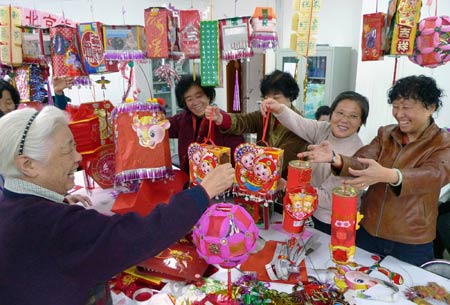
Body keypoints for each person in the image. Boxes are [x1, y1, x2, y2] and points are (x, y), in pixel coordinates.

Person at [0, 106, 235, 305]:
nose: (78, 157)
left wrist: (55, 200)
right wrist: (202, 193)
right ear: (28, 165)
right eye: (67, 149)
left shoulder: (14, 206)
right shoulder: (53, 225)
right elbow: (137, 235)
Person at [299, 75, 450, 266]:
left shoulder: (443, 142)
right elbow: (362, 161)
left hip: (412, 240)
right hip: (369, 231)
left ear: (430, 107)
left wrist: (390, 175)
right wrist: (335, 158)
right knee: (356, 283)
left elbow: (434, 175)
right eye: (396, 106)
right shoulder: (386, 134)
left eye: (406, 108)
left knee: (408, 291)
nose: (399, 113)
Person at [260, 91, 369, 234]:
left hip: (331, 223)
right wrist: (279, 108)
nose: (344, 120)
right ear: (332, 114)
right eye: (340, 113)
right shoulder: (325, 129)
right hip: (307, 209)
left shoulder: (356, 155)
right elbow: (299, 123)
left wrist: (288, 186)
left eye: (353, 116)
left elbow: (330, 199)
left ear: (361, 121)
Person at [205, 69, 310, 178]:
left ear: (290, 96)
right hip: (260, 174)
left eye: (276, 97)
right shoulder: (265, 115)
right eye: (266, 98)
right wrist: (220, 118)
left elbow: (285, 156)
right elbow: (244, 121)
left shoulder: (300, 125)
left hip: (284, 181)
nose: (269, 102)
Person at [170, 74, 244, 174]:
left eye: (199, 96)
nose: (195, 102)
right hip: (190, 179)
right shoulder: (183, 119)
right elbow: (164, 127)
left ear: (208, 96)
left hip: (218, 182)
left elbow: (239, 157)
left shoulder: (222, 120)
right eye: (189, 99)